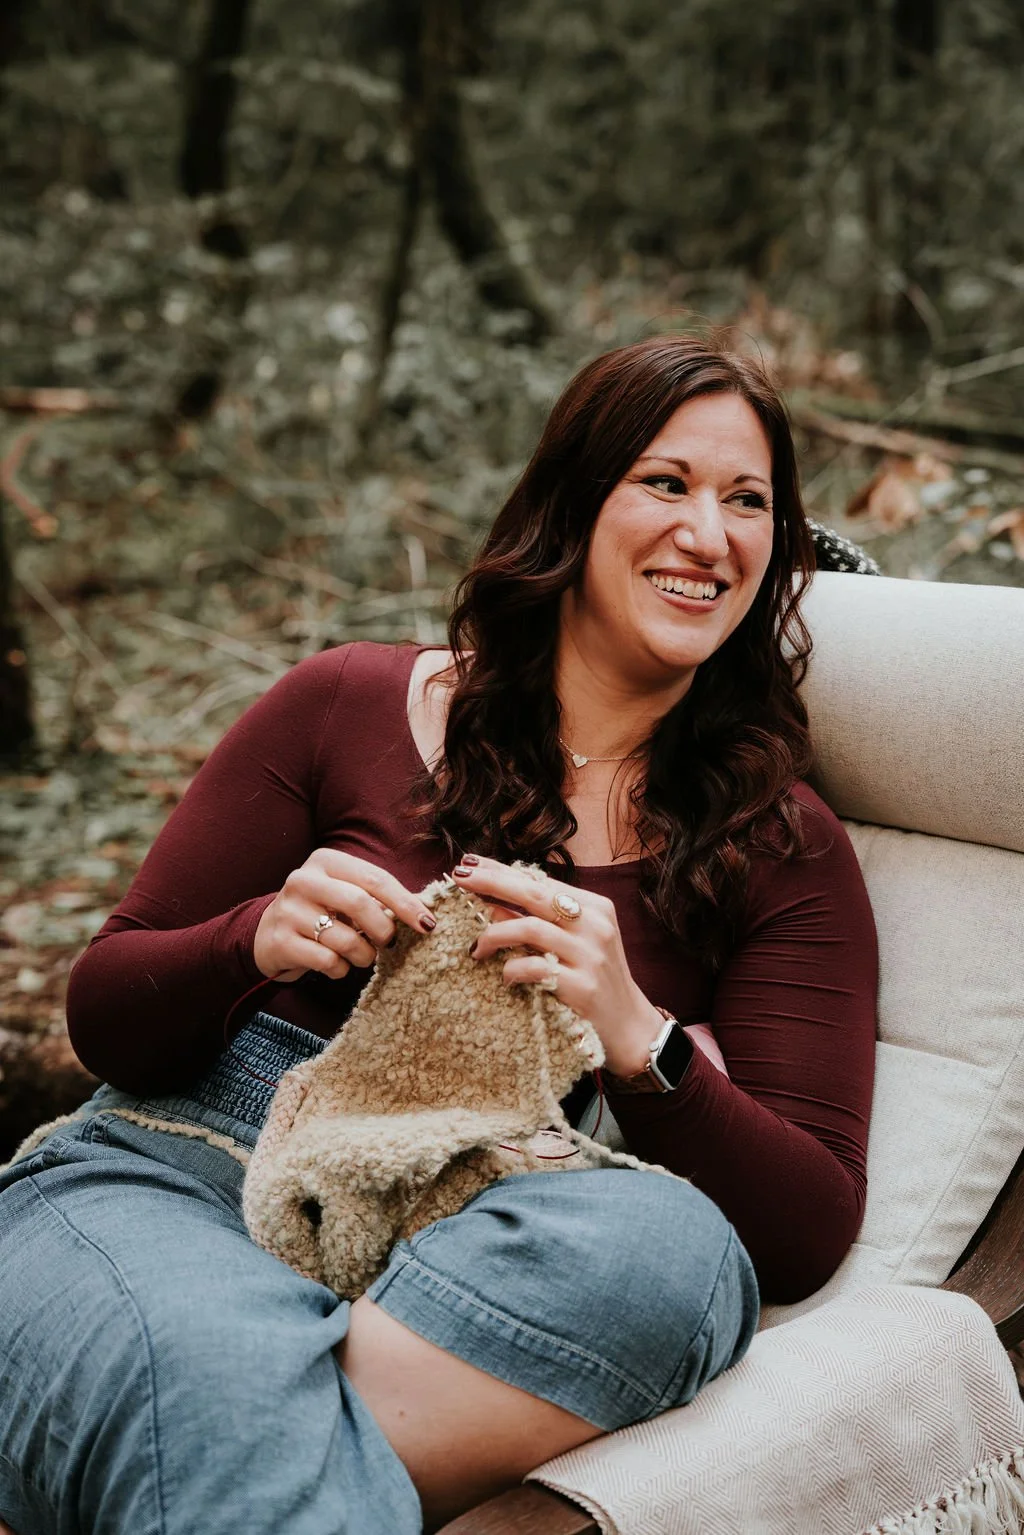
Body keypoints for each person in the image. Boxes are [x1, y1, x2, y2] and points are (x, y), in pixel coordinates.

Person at [0, 336, 877, 1535]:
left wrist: (640, 1038)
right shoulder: (347, 700)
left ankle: (174, 1414)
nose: (707, 533)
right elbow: (104, 1014)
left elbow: (806, 1225)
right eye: (665, 483)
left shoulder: (776, 842)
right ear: (574, 502)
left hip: (469, 1227)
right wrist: (250, 940)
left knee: (674, 1249)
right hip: (184, 1173)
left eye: (747, 501)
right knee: (214, 1356)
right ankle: (210, 1392)